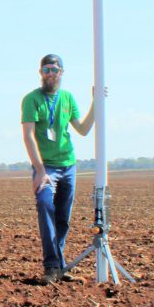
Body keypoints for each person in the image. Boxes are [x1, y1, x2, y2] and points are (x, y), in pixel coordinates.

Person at [20, 54, 96, 284]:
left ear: (61, 72)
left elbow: (83, 129)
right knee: (45, 205)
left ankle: (58, 267)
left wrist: (95, 103)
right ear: (40, 73)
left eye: (54, 69)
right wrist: (40, 170)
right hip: (47, 168)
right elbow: (28, 136)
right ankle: (51, 265)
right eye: (46, 70)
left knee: (63, 218)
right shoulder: (32, 99)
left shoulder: (68, 98)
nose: (50, 73)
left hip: (68, 165)